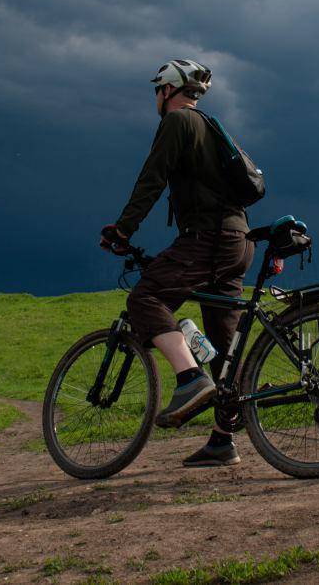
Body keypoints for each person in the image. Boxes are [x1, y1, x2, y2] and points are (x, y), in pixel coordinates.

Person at [99, 59, 253, 467]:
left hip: (208, 239)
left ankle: (189, 379)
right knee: (223, 346)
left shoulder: (178, 121)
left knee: (145, 298)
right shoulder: (211, 126)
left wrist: (123, 230)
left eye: (157, 90)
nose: (156, 97)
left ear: (167, 90)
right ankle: (222, 440)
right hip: (239, 241)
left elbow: (153, 177)